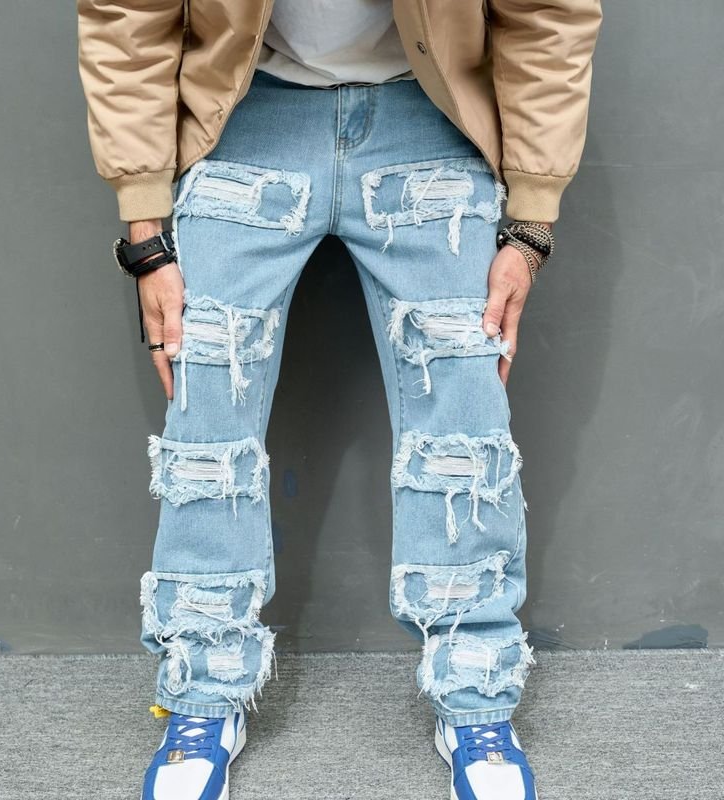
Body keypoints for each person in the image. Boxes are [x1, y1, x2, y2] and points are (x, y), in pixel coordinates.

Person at [76, 2, 602, 798]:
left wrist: (530, 221)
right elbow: (129, 15)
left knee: (463, 415)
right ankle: (202, 692)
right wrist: (145, 228)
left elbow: (547, 14)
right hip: (245, 115)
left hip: (428, 113)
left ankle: (476, 695)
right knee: (207, 404)